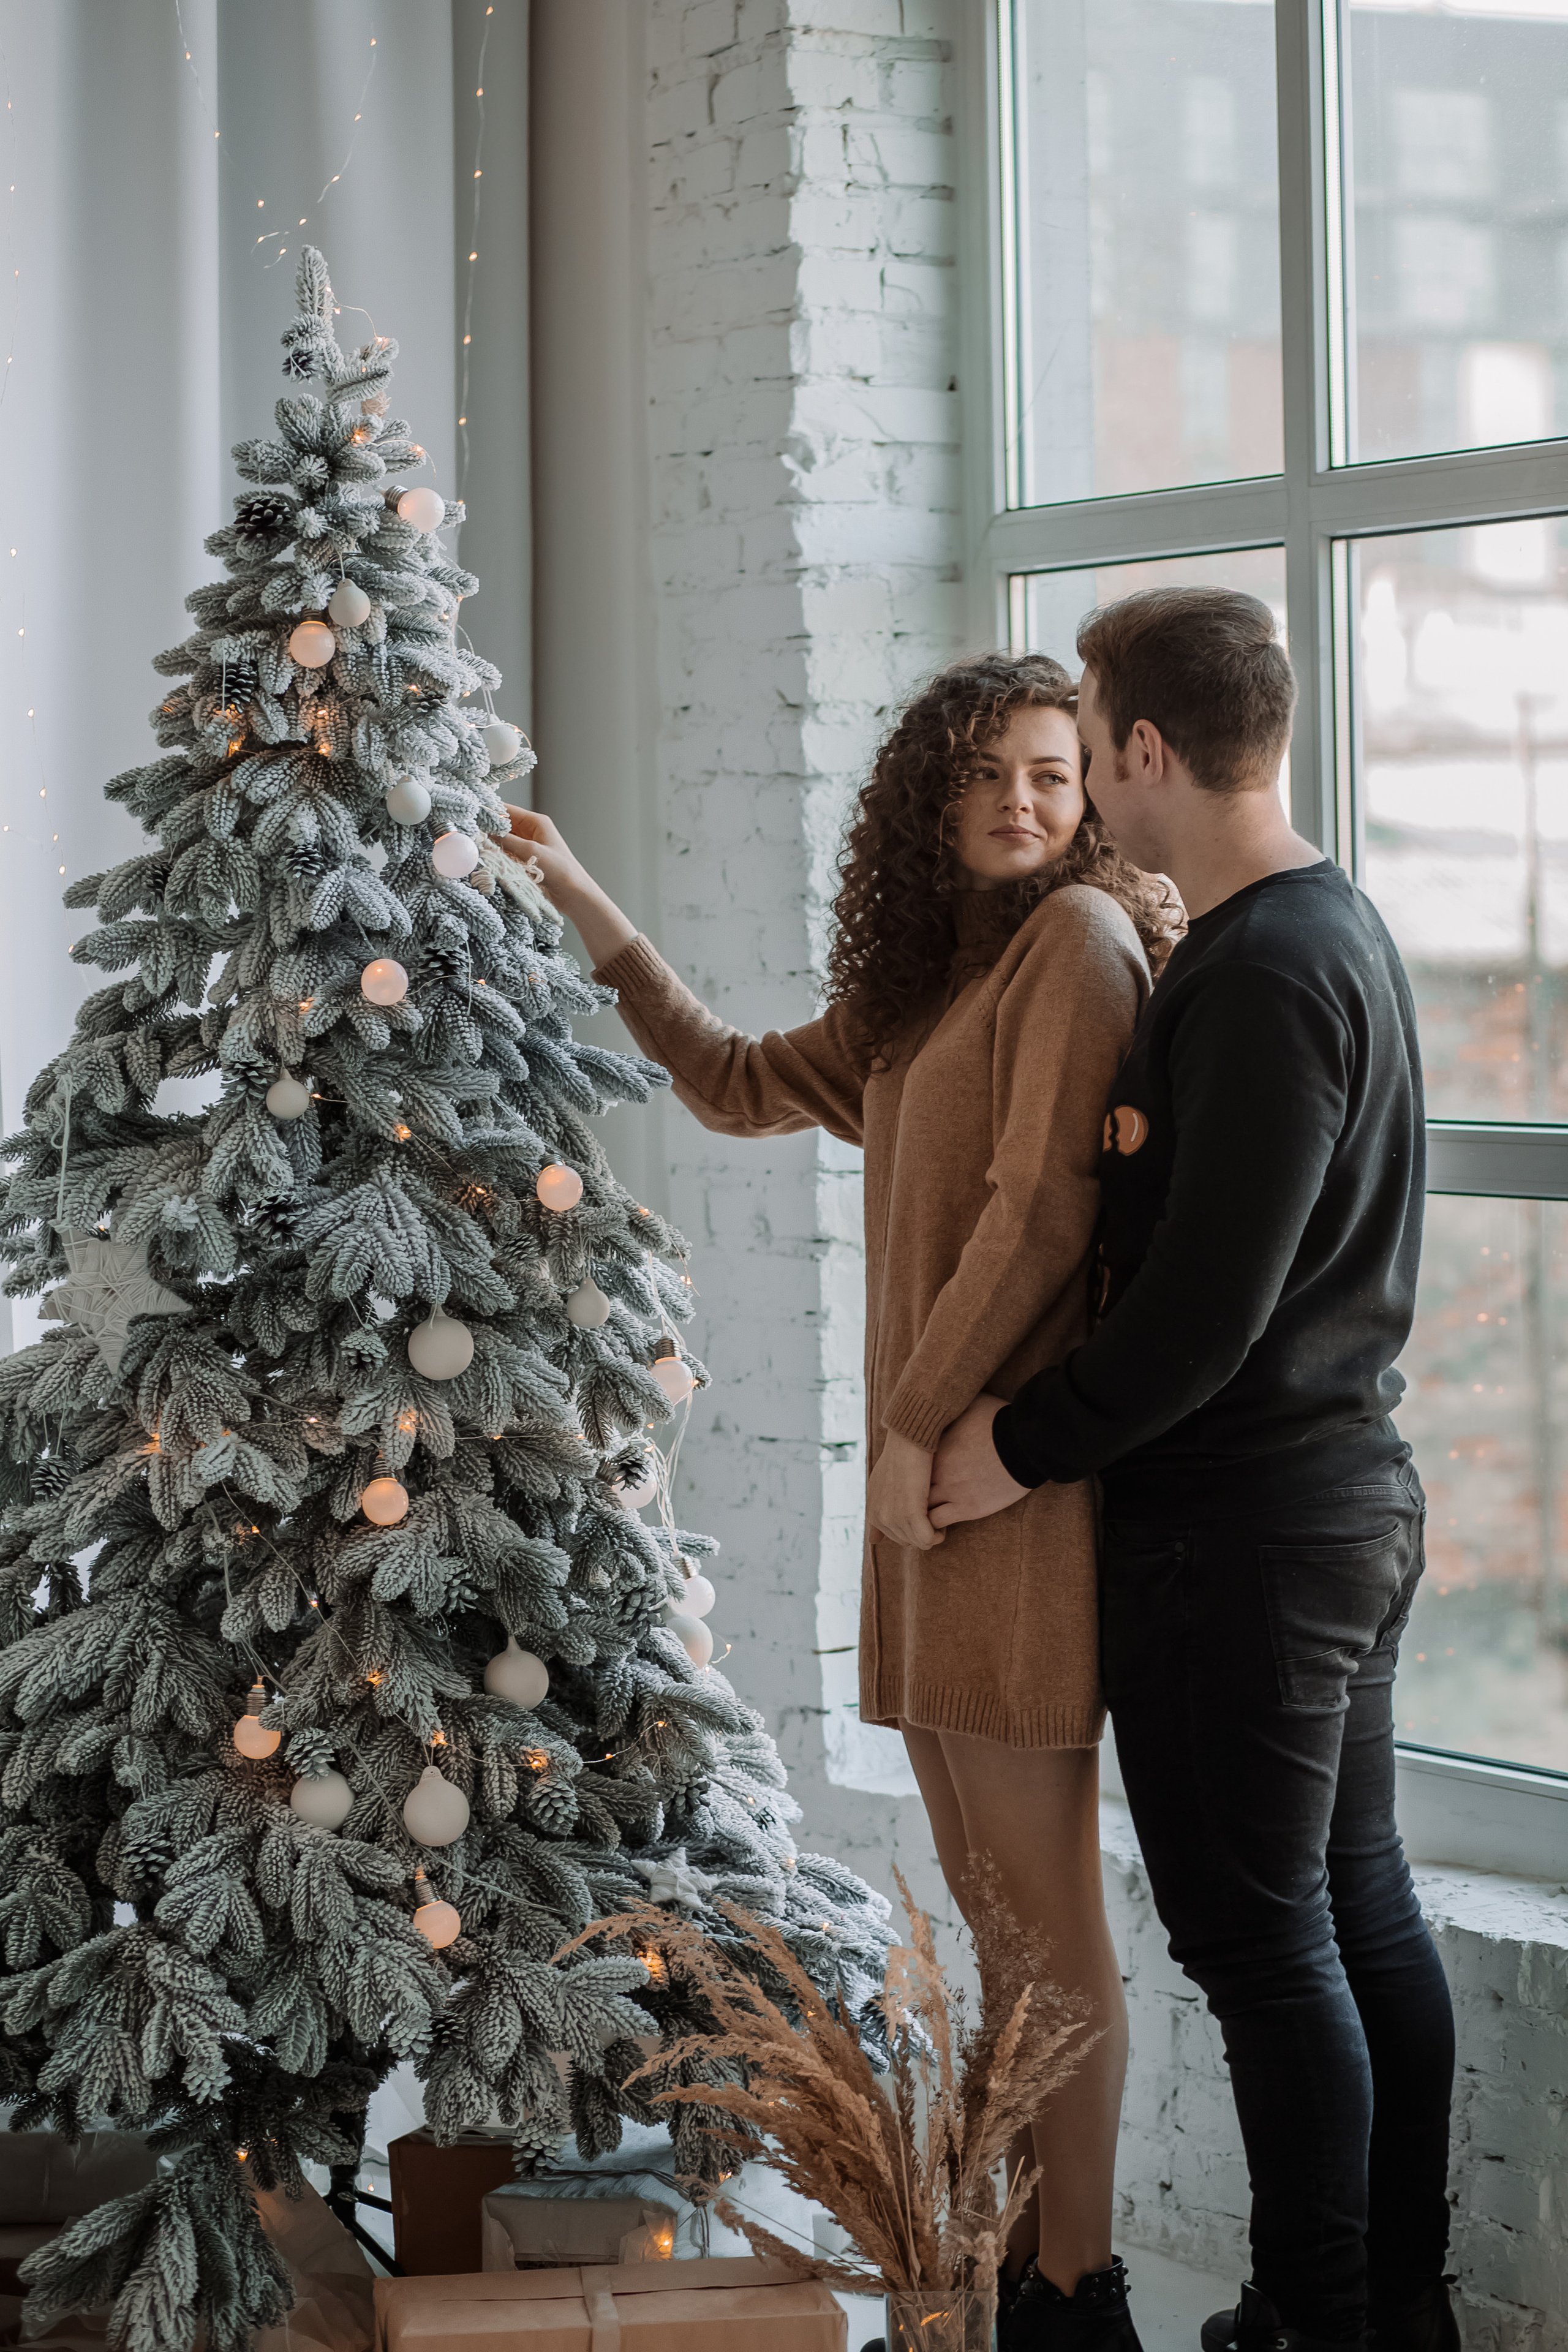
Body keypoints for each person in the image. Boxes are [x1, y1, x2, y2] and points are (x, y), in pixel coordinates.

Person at [500, 653, 1181, 2352]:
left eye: (1054, 771)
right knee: (999, 1926)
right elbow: (734, 1080)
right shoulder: (932, 988)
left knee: (1046, 1926)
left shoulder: (1078, 943)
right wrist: (579, 895)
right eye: (990, 772)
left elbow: (1043, 1214)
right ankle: (1010, 2278)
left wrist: (913, 1426)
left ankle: (1080, 2296)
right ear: (928, 798)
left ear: (1092, 793)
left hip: (997, 1489)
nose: (1024, 800)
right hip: (927, 1500)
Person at [926, 590, 1457, 2352]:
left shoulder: (1259, 972)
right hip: (1333, 1508)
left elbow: (1202, 1315)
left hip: (1249, 1539)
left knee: (1262, 1944)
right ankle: (1395, 2310)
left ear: (1146, 751)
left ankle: (1317, 2319)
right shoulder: (1328, 924)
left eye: (1087, 744)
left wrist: (1013, 1445)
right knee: (1353, 1912)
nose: (1079, 782)